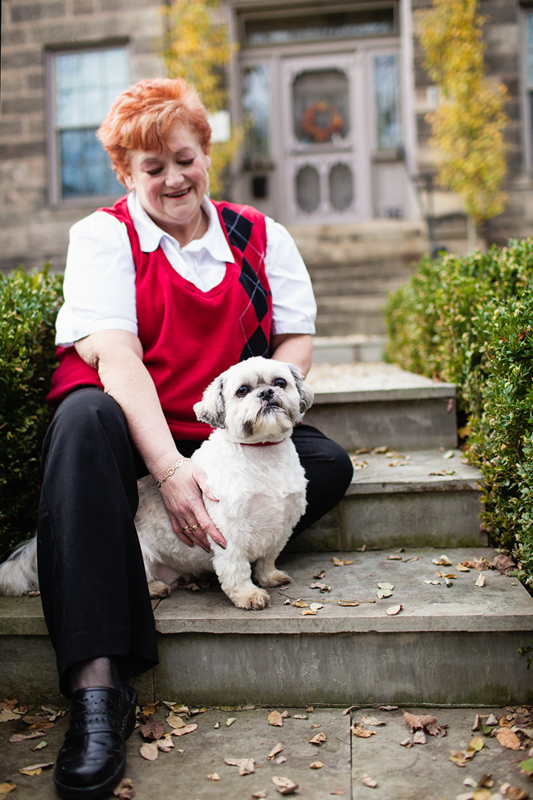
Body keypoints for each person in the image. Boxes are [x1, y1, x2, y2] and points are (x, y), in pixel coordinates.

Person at [38, 77, 354, 799]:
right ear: (127, 174)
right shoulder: (103, 236)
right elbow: (115, 358)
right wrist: (173, 476)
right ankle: (97, 687)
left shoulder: (260, 235)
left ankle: (212, 545)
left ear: (204, 153)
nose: (173, 178)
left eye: (183, 158)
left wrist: (265, 413)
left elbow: (293, 341)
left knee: (326, 466)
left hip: (221, 431)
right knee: (82, 424)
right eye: (152, 169)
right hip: (128, 417)